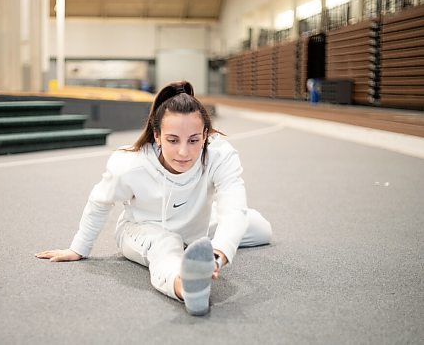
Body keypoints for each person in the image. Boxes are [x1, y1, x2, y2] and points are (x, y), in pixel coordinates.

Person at [36, 80, 272, 316]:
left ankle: (195, 249)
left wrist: (217, 256)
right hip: (142, 229)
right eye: (172, 140)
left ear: (205, 135)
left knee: (260, 229)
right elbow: (100, 201)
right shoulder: (130, 165)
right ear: (157, 136)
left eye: (193, 140)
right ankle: (186, 287)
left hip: (194, 228)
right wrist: (79, 247)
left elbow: (233, 208)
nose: (183, 152)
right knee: (166, 244)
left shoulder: (220, 154)